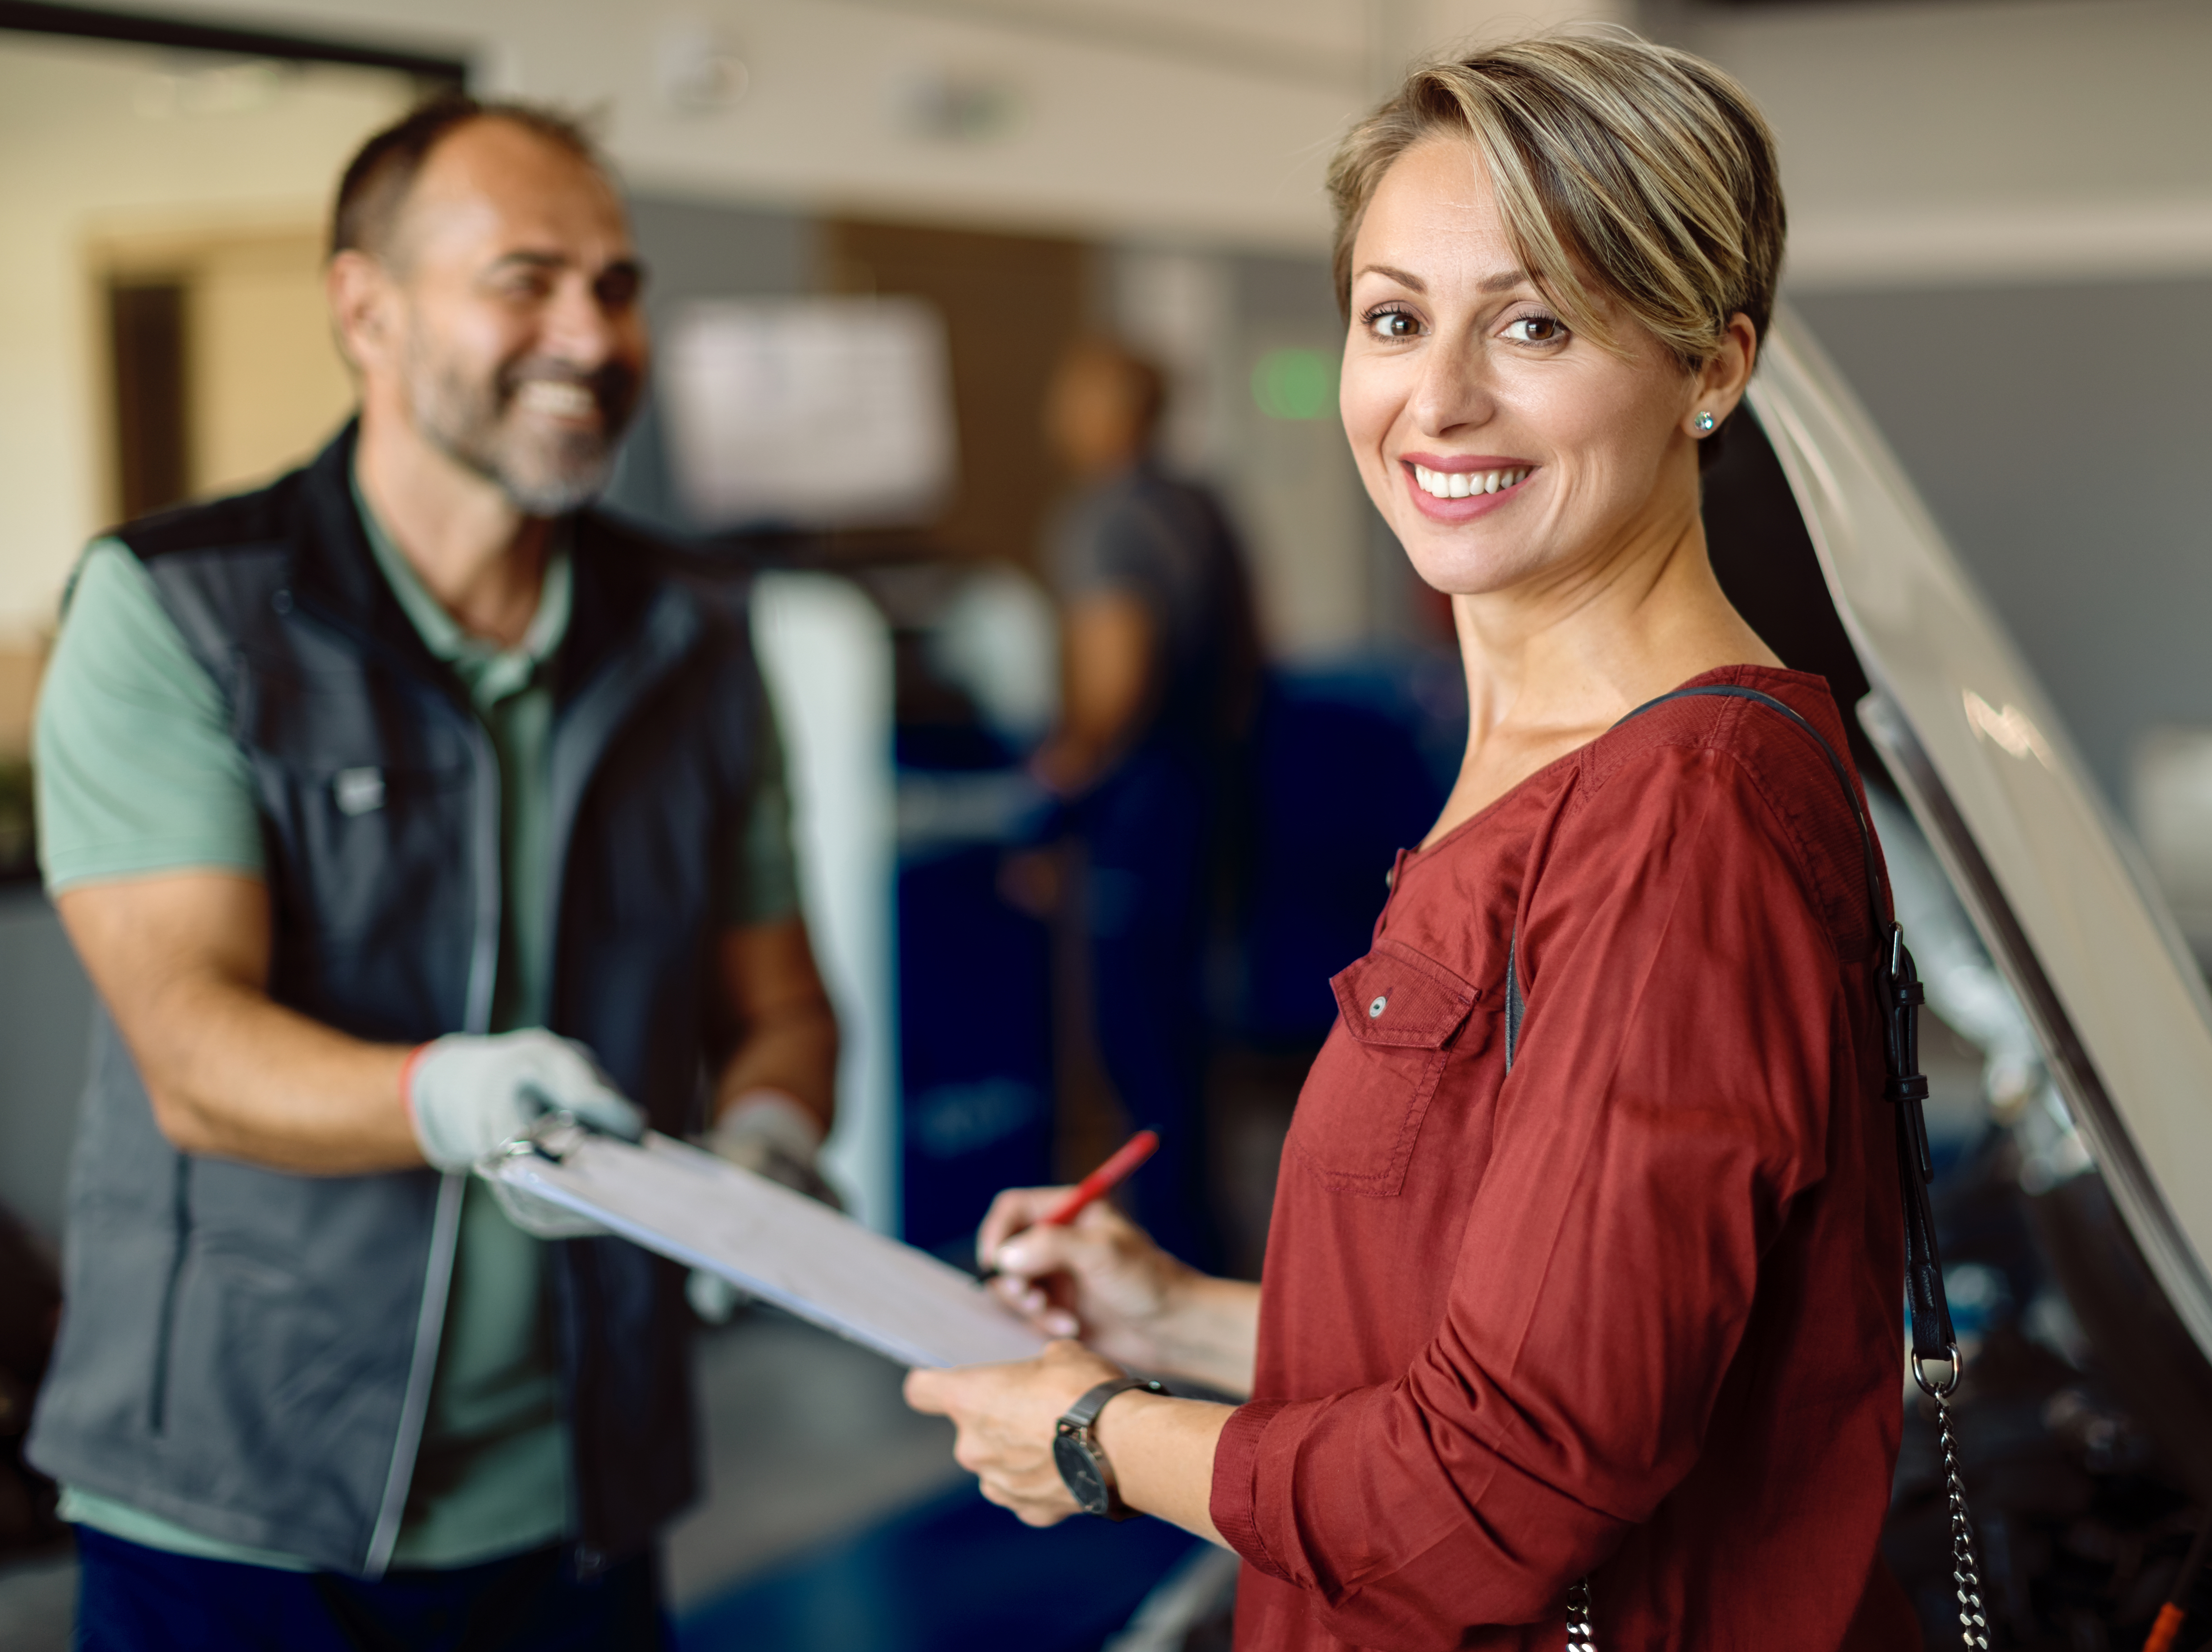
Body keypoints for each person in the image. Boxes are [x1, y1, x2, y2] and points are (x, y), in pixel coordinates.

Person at [906, 34, 1921, 1650]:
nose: (1435, 400)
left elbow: (1494, 1484)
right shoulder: (1538, 758)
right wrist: (1168, 1311)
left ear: (1714, 367)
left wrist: (1098, 1435)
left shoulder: (1679, 816)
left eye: (1532, 322)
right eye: (1394, 317)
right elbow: (1513, 1344)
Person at [27, 96, 838, 1648]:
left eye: (615, 285)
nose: (590, 334)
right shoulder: (174, 611)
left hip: (585, 1495)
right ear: (367, 309)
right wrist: (451, 1099)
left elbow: (782, 996)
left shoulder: (696, 631)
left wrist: (766, 1147)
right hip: (240, 1504)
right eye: (524, 279)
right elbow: (192, 1052)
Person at [1034, 338, 1261, 1272]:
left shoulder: (1103, 521)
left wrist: (1059, 777)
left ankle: (1158, 1261)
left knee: (1136, 1047)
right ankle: (1202, 1243)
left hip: (1137, 811)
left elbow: (1115, 676)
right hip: (1213, 793)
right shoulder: (1201, 505)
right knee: (1188, 1044)